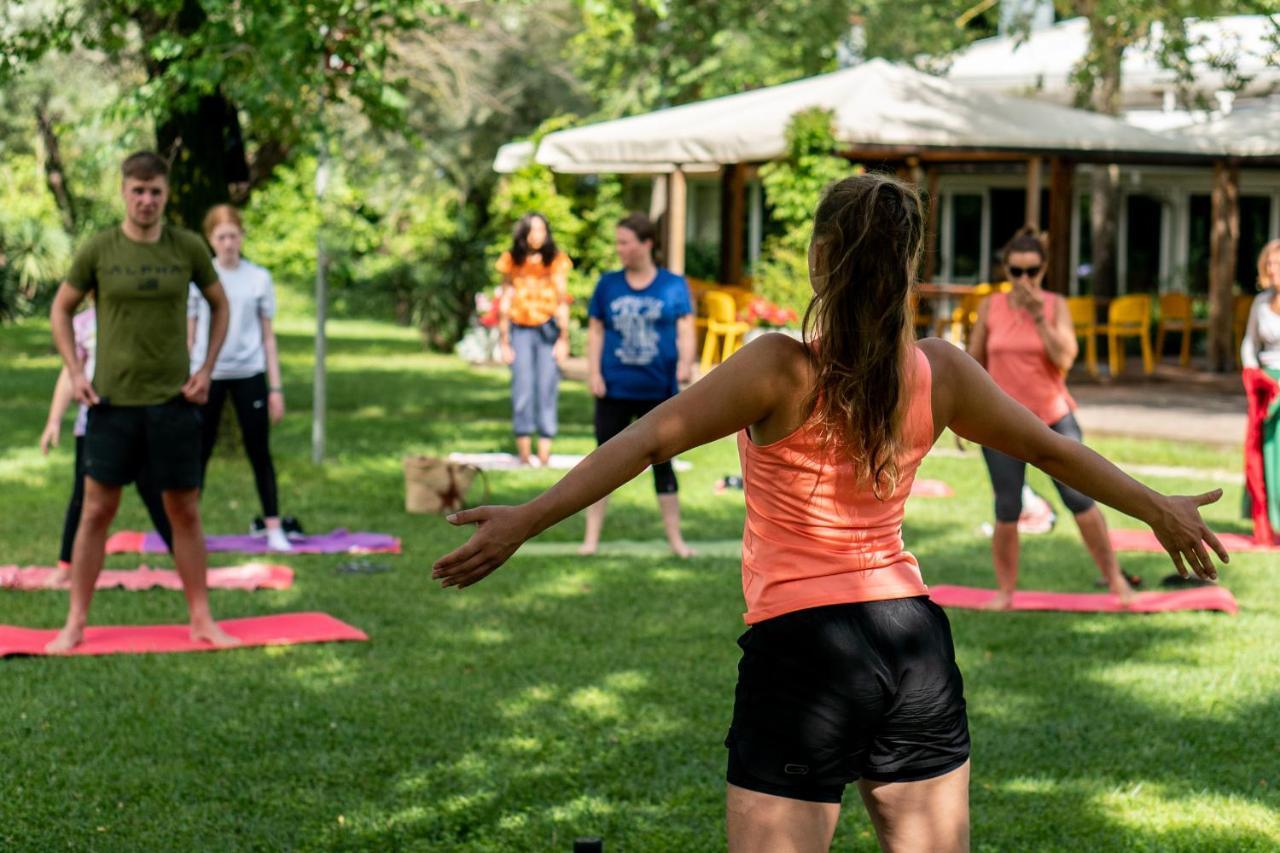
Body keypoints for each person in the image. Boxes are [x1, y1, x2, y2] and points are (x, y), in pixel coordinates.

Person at [434, 174, 1225, 852]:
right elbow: (1053, 449)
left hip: (804, 649)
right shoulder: (939, 371)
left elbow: (645, 439)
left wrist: (527, 519)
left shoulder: (778, 367)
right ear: (908, 266)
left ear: (819, 260)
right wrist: (1158, 508)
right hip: (912, 646)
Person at [46, 150, 237, 653]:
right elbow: (61, 309)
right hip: (111, 404)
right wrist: (73, 370)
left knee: (185, 511)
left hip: (174, 403)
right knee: (95, 512)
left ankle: (201, 618)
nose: (146, 200)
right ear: (124, 191)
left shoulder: (188, 247)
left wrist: (206, 370)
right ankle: (75, 623)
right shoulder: (100, 249)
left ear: (166, 194)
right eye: (138, 190)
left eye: (155, 191)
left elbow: (220, 304)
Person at [967, 229, 1135, 609]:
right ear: (1005, 270)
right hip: (1002, 420)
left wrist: (1039, 317)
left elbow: (1066, 358)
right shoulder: (991, 306)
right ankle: (1006, 591)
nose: (1025, 279)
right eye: (1016, 270)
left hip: (1053, 415)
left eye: (1033, 271)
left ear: (1044, 270)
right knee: (1007, 506)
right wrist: (963, 414)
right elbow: (973, 361)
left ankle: (1116, 580)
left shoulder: (1055, 305)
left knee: (1080, 499)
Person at [580, 212, 696, 558]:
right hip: (615, 388)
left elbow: (686, 327)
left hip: (658, 391)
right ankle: (590, 539)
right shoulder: (608, 284)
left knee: (665, 465)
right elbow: (597, 330)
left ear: (646, 244)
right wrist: (594, 372)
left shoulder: (673, 285)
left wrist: (687, 364)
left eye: (624, 242)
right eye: (617, 242)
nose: (619, 249)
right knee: (601, 464)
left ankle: (676, 540)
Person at [188, 204, 291, 552]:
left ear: (242, 236)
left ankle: (274, 527)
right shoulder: (200, 278)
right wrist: (189, 377)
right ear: (210, 240)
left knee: (259, 451)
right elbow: (190, 333)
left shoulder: (258, 278)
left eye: (234, 235)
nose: (229, 243)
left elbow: (268, 337)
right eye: (221, 237)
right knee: (198, 453)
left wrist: (275, 388)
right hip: (208, 373)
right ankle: (189, 529)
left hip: (250, 373)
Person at [40, 306, 174, 569]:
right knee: (83, 499)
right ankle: (66, 564)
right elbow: (70, 372)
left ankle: (184, 561)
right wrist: (54, 420)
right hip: (93, 426)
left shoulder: (140, 316)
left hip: (141, 422)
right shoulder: (84, 323)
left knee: (156, 493)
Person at [496, 213, 572, 467]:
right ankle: (525, 456)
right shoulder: (511, 261)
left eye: (541, 229)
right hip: (520, 330)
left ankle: (544, 453)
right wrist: (504, 340)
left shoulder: (557, 261)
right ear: (524, 233)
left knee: (547, 386)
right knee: (523, 387)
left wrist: (563, 338)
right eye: (532, 230)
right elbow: (505, 298)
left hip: (548, 329)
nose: (537, 235)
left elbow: (562, 299)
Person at [1240, 239, 1280, 545]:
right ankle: (1266, 523)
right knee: (1262, 453)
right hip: (1265, 384)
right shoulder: (1260, 303)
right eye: (1270, 264)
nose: (1274, 269)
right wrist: (1252, 373)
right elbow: (1249, 343)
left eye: (1278, 264)